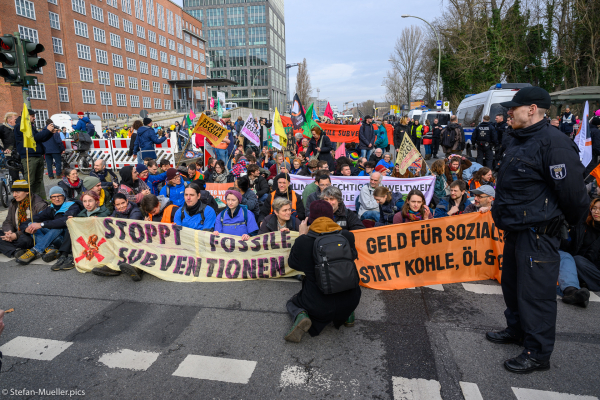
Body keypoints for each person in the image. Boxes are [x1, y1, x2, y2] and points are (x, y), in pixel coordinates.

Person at [488, 86, 588, 374]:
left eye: (514, 108)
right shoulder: (518, 139)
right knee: (513, 287)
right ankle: (517, 331)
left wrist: (556, 226)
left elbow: (575, 198)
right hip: (516, 231)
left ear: (531, 109)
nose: (508, 112)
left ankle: (537, 353)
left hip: (538, 233)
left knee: (536, 296)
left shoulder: (554, 144)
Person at [285, 200, 360, 342]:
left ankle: (301, 315)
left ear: (310, 219)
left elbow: (293, 264)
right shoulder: (347, 236)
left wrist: (301, 236)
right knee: (346, 296)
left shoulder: (304, 241)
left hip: (318, 304)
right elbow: (353, 257)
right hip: (352, 298)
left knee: (292, 302)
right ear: (332, 217)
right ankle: (348, 315)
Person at [14, 186, 80, 266]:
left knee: (57, 227)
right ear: (50, 198)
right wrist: (26, 229)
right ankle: (50, 249)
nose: (57, 199)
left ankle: (35, 250)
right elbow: (29, 221)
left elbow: (63, 221)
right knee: (32, 225)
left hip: (67, 240)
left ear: (64, 196)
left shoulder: (72, 206)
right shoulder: (50, 209)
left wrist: (42, 224)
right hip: (53, 238)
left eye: (59, 196)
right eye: (53, 197)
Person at [557, 198, 600, 307]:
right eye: (594, 208)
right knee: (564, 255)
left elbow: (590, 256)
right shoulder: (582, 226)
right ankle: (575, 294)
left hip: (595, 271)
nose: (596, 211)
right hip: (580, 266)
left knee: (576, 260)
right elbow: (569, 246)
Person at [0, 180, 48, 258]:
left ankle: (7, 247)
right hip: (15, 232)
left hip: (30, 234)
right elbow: (8, 221)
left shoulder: (39, 205)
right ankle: (16, 251)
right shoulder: (14, 203)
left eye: (17, 192)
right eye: (13, 192)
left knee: (23, 240)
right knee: (3, 235)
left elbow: (36, 226)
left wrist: (16, 235)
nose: (14, 195)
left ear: (27, 192)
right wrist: (8, 232)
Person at [13, 111, 54, 199]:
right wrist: (47, 130)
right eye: (32, 116)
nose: (34, 118)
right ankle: (27, 201)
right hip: (29, 156)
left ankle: (38, 201)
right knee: (30, 181)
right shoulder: (21, 126)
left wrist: (50, 132)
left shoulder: (30, 126)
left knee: (38, 181)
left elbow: (40, 139)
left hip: (37, 155)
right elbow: (33, 138)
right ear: (26, 117)